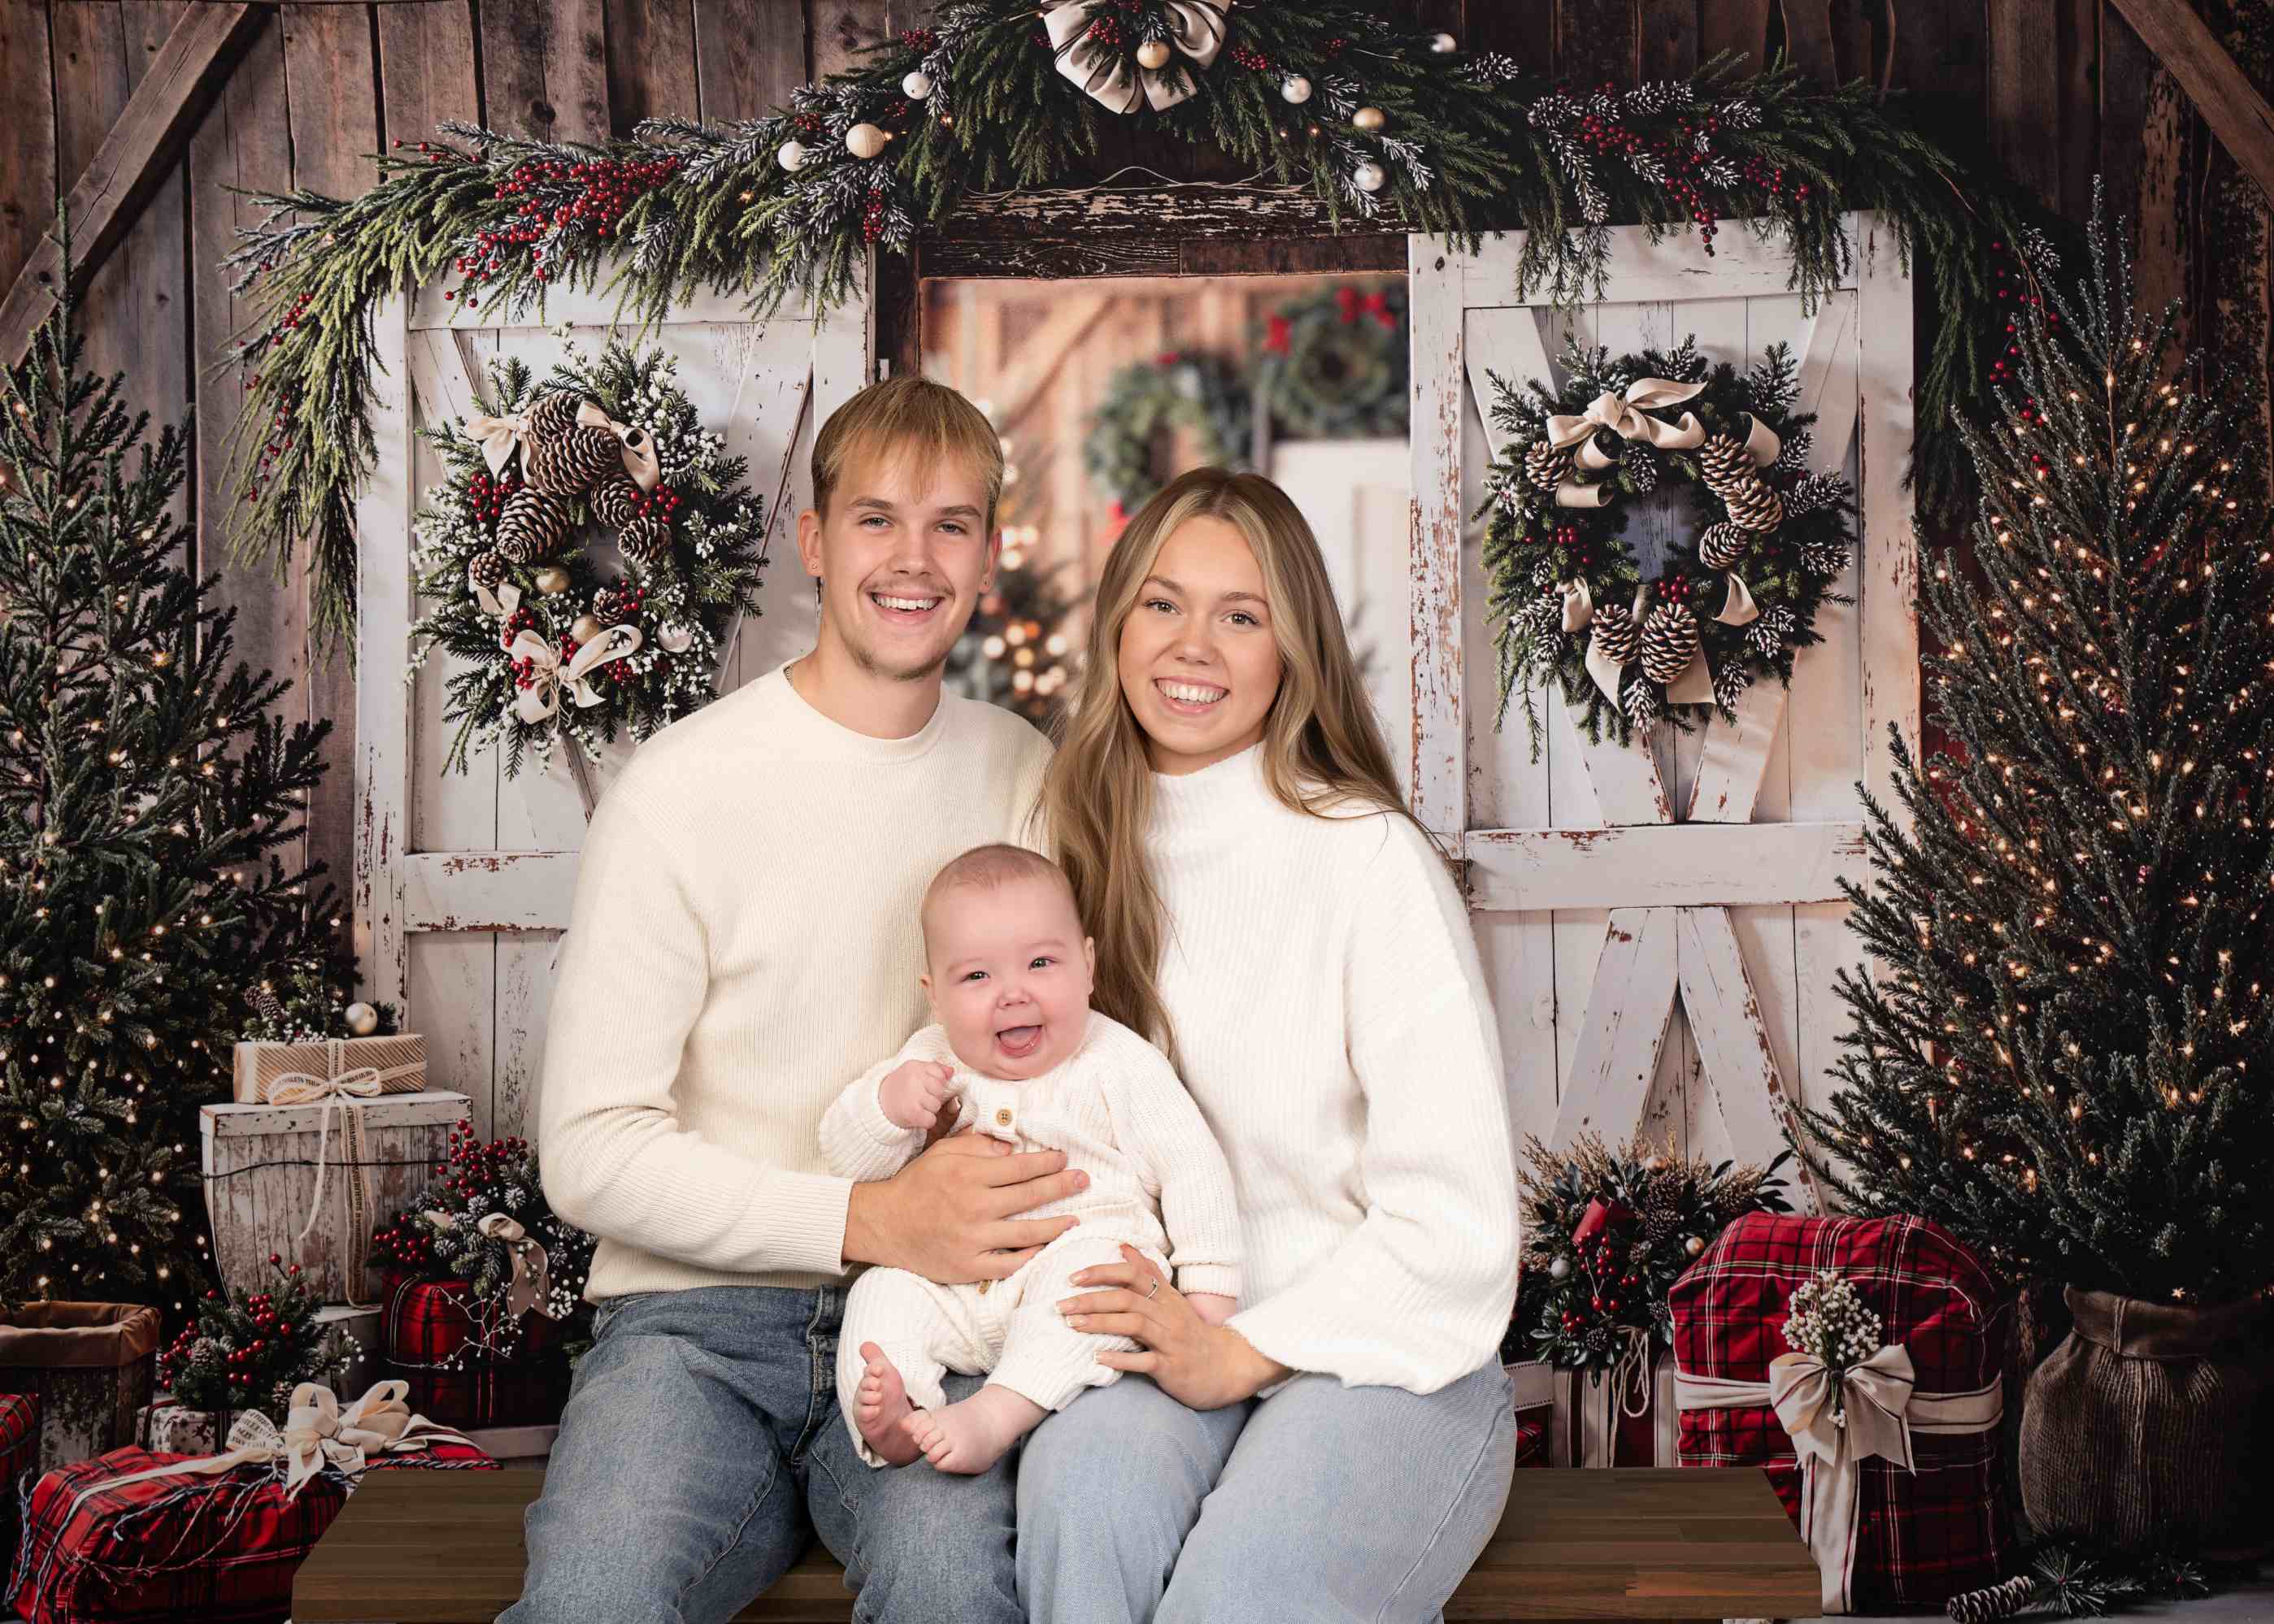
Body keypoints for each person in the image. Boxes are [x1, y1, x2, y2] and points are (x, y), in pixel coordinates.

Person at [502, 376, 1067, 1624]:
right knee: (594, 1604)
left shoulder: (1020, 771)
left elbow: (1067, 1060)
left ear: (986, 556)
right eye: (876, 520)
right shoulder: (681, 788)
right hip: (690, 1327)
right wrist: (867, 1215)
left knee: (956, 1591)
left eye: (950, 524)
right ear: (814, 541)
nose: (913, 559)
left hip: (932, 1324)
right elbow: (589, 1153)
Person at [1016, 467, 1523, 1623]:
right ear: (1116, 621)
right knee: (1081, 1509)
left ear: (1292, 651)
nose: (1191, 645)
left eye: (1240, 616)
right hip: (1164, 1333)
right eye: (1162, 602)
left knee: (1241, 1596)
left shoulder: (1364, 855)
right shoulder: (1060, 835)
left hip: (1386, 1350)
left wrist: (1241, 1353)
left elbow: (1454, 1225)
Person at [822, 842, 1242, 1476]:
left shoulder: (1117, 1061)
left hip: (1071, 1271)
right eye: (976, 977)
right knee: (881, 1291)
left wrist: (1208, 1300)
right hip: (953, 1292)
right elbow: (845, 1159)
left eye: (1041, 963)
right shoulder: (928, 1059)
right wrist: (887, 1109)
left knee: (1104, 1280)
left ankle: (999, 1413)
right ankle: (900, 1414)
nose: (1012, 995)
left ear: (1087, 966)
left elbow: (1193, 1168)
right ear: (934, 996)